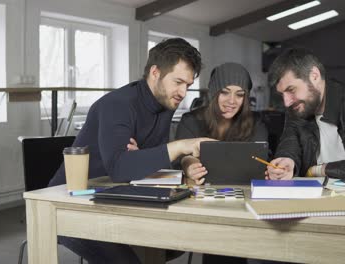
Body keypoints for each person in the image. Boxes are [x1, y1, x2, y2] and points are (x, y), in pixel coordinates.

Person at [48, 38, 211, 264]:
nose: (183, 92)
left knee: (176, 242)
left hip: (118, 196)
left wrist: (154, 157)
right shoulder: (118, 104)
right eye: (178, 82)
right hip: (70, 204)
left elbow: (154, 165)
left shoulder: (164, 104)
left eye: (188, 85)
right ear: (155, 72)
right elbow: (120, 168)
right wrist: (179, 146)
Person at [266, 47, 345, 181]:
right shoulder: (296, 109)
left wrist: (318, 170)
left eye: (291, 90)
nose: (286, 102)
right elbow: (289, 146)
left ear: (314, 76)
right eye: (282, 94)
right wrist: (286, 164)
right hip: (315, 197)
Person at [175, 62, 268, 186]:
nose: (232, 101)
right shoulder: (191, 120)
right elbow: (182, 157)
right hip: (201, 191)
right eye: (225, 92)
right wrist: (190, 165)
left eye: (240, 95)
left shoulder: (256, 122)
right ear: (213, 93)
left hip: (245, 190)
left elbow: (261, 159)